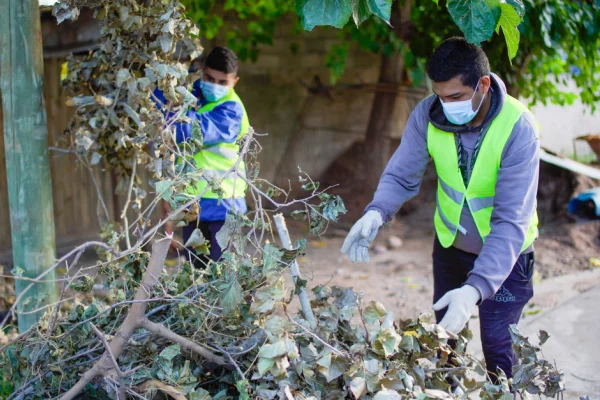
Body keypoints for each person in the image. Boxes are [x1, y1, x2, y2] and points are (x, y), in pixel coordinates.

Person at [341, 37, 540, 382]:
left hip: (507, 258)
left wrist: (475, 289)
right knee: (445, 344)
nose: (447, 105)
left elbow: (510, 221)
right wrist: (376, 212)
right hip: (451, 248)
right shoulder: (428, 113)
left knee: (499, 348)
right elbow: (402, 173)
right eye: (440, 96)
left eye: (457, 97)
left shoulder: (517, 127)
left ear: (484, 84)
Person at [155, 47, 249, 266]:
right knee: (196, 279)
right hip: (192, 206)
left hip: (224, 205)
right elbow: (160, 102)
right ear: (202, 73)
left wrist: (164, 115)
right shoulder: (194, 92)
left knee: (225, 277)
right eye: (209, 78)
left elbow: (186, 132)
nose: (214, 85)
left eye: (222, 82)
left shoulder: (231, 110)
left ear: (234, 82)